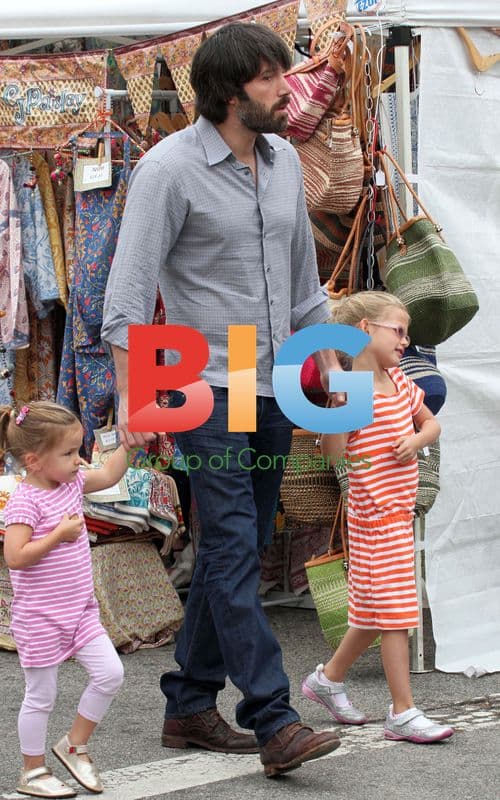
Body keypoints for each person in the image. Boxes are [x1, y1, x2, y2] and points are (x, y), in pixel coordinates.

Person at [101, 21, 343, 777]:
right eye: (271, 78)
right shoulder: (168, 169)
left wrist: (329, 376)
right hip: (194, 375)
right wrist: (132, 399)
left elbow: (305, 288)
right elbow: (127, 296)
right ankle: (274, 717)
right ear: (231, 91)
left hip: (268, 374)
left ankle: (188, 703)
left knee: (243, 541)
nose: (287, 90)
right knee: (235, 540)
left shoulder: (282, 161)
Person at [302, 291, 455, 744]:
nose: (405, 340)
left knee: (374, 611)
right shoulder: (352, 391)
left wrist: (417, 439)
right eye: (398, 331)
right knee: (396, 615)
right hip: (374, 518)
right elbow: (333, 455)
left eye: (406, 333)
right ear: (365, 330)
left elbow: (431, 423)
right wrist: (337, 410)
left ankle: (328, 680)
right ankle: (402, 711)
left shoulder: (399, 381)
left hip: (397, 513)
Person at [0, 401, 142, 798]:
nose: (79, 460)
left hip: (80, 611)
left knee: (110, 674)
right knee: (41, 696)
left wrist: (128, 446)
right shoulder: (25, 502)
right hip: (40, 617)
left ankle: (75, 745)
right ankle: (32, 771)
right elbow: (14, 556)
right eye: (68, 453)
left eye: (78, 450)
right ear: (34, 461)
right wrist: (56, 537)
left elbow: (109, 474)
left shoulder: (72, 482)